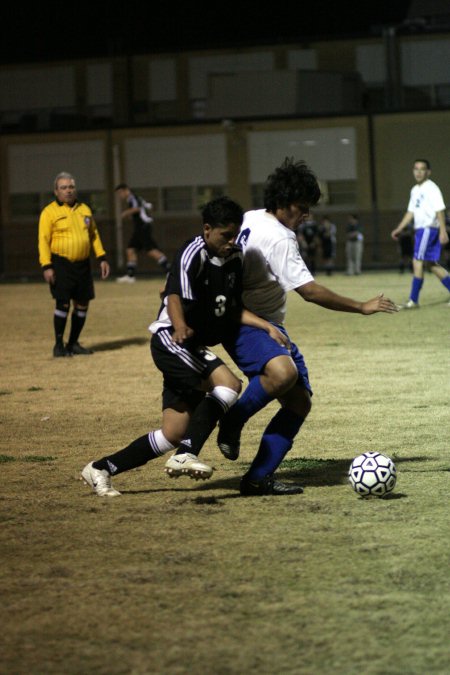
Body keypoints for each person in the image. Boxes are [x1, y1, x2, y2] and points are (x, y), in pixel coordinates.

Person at [214, 157, 398, 497]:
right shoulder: (282, 238)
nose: (307, 215)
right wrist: (361, 306)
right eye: (302, 207)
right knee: (283, 375)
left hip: (258, 322)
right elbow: (309, 291)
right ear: (283, 204)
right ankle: (232, 420)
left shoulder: (251, 217)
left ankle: (257, 479)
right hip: (246, 323)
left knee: (298, 403)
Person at [81, 196, 287, 496]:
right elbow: (174, 295)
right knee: (229, 385)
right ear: (207, 229)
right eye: (224, 235)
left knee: (173, 432)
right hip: (171, 338)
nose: (232, 241)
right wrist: (179, 326)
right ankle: (186, 454)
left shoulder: (235, 259)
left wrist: (266, 325)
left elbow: (231, 308)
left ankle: (101, 468)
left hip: (189, 343)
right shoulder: (193, 252)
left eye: (235, 234)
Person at [38, 172, 110, 357]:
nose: (68, 191)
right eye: (63, 188)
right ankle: (58, 345)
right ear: (56, 192)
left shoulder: (84, 209)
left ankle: (73, 343)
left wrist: (101, 257)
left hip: (83, 264)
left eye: (71, 187)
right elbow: (43, 241)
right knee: (63, 304)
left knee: (82, 303)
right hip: (61, 263)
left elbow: (94, 235)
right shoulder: (49, 212)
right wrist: (47, 265)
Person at [391, 159, 450, 308]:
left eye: (422, 169)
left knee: (417, 261)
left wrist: (443, 230)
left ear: (428, 172)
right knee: (431, 264)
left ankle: (413, 300)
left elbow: (439, 209)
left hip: (428, 229)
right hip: (422, 231)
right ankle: (414, 300)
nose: (418, 172)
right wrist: (399, 228)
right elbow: (410, 212)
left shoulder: (432, 188)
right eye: (416, 169)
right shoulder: (415, 190)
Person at [115, 183, 171, 282]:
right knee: (130, 249)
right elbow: (148, 207)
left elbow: (137, 208)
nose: (120, 196)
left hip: (143, 227)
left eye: (120, 193)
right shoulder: (136, 198)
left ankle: (170, 272)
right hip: (140, 228)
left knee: (151, 251)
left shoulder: (133, 198)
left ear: (125, 190)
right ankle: (130, 276)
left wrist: (126, 213)